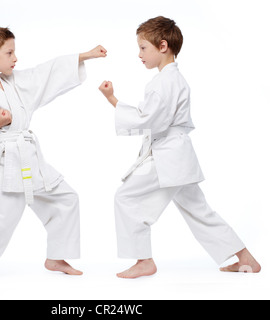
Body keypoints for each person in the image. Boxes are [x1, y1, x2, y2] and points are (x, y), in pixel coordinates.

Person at [98, 16, 261, 279]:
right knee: (199, 210)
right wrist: (113, 99)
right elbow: (150, 117)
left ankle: (143, 260)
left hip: (167, 158)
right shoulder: (174, 79)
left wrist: (111, 100)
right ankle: (246, 258)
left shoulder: (163, 83)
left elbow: (148, 120)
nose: (139, 54)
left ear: (162, 46)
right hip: (178, 156)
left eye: (143, 48)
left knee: (125, 197)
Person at [0, 25, 107, 282]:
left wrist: (83, 56)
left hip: (28, 159)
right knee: (1, 222)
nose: (15, 58)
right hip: (4, 165)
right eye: (9, 53)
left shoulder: (14, 81)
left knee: (65, 199)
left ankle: (56, 256)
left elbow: (43, 74)